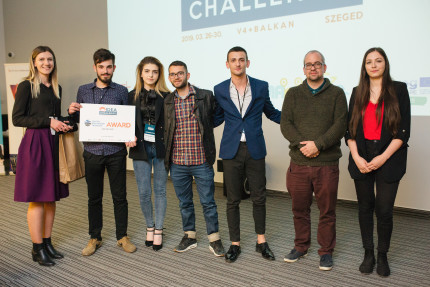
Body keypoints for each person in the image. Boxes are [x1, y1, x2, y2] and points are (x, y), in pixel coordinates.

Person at [345, 47, 411, 277]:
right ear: (364, 66)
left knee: (383, 210)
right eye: (369, 62)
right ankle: (369, 253)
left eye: (378, 61)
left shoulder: (399, 89)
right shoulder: (356, 91)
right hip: (361, 155)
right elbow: (350, 129)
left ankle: (383, 255)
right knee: (365, 208)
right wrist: (356, 156)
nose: (373, 65)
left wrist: (382, 157)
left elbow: (404, 132)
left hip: (389, 156)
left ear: (385, 64)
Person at [280, 50, 347, 271]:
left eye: (317, 64)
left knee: (327, 211)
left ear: (324, 68)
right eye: (309, 65)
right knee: (299, 209)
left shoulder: (337, 94)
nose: (313, 68)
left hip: (326, 165)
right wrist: (304, 145)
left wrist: (318, 145)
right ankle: (301, 246)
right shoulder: (293, 94)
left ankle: (326, 251)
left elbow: (340, 125)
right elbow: (286, 124)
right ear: (304, 69)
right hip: (298, 164)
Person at [214, 46, 281, 263]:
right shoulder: (220, 89)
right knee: (232, 200)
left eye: (241, 60)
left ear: (247, 63)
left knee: (259, 197)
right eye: (233, 60)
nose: (238, 63)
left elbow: (270, 112)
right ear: (227, 64)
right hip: (231, 150)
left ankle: (261, 241)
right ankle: (235, 244)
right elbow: (216, 118)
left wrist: (293, 119)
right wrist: (196, 123)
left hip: (255, 149)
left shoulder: (260, 86)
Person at [68, 48, 136, 256]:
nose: (105, 71)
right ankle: (94, 237)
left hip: (116, 151)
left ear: (114, 68)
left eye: (109, 67)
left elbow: (128, 121)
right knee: (94, 197)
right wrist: (71, 113)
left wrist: (130, 135)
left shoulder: (121, 91)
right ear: (95, 67)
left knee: (120, 196)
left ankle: (122, 236)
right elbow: (80, 121)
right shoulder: (83, 90)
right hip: (92, 151)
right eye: (101, 67)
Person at [12, 46, 73, 266]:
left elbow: (55, 118)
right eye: (42, 59)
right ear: (34, 62)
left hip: (53, 143)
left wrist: (69, 116)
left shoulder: (57, 87)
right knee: (38, 198)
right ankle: (37, 248)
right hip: (35, 145)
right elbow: (18, 119)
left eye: (50, 59)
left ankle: (47, 243)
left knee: (51, 196)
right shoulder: (26, 86)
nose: (47, 63)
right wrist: (49, 122)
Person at [164, 60, 225, 257]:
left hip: (201, 160)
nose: (176, 77)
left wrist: (205, 128)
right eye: (172, 74)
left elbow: (217, 116)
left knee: (208, 202)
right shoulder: (167, 101)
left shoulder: (205, 96)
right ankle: (189, 236)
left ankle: (214, 238)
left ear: (187, 75)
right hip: (178, 163)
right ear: (169, 77)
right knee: (184, 203)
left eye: (180, 73)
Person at [127, 57, 170, 251]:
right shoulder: (131, 96)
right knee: (144, 193)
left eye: (155, 71)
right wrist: (127, 136)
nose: (151, 75)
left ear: (159, 74)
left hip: (161, 148)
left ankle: (159, 230)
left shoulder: (168, 96)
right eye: (147, 71)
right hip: (140, 148)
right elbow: (125, 123)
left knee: (160, 190)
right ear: (141, 73)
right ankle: (150, 226)